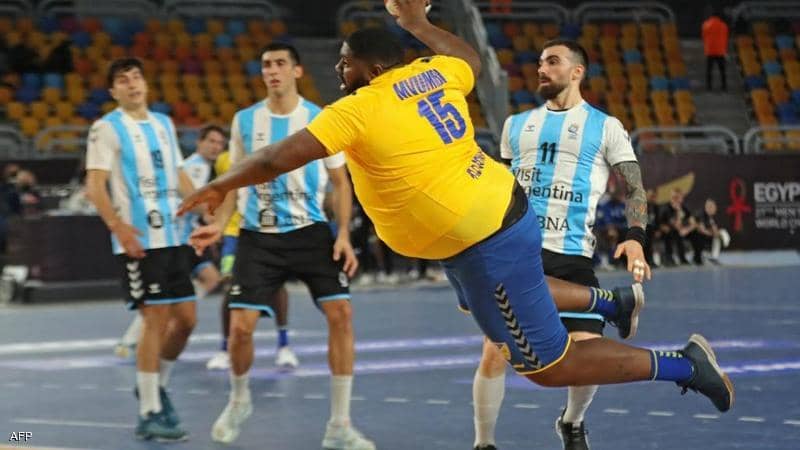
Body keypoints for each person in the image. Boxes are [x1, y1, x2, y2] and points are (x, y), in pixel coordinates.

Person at [181, 0, 733, 443]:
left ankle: (683, 366)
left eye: (346, 62)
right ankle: (610, 303)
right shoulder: (432, 72)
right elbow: (470, 60)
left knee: (548, 366)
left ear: (374, 68)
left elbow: (279, 156)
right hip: (488, 221)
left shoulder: (359, 107)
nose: (338, 70)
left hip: (485, 239)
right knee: (487, 302)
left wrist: (222, 183)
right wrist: (420, 24)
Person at [187, 42, 372, 448]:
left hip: (310, 232)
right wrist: (218, 225)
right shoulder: (244, 121)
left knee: (341, 314)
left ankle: (340, 424)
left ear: (297, 71)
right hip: (258, 237)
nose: (272, 71)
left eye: (280, 64)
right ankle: (239, 400)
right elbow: (234, 180)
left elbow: (341, 183)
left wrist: (343, 234)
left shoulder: (320, 118)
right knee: (240, 328)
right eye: (266, 65)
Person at [471, 38, 652, 450]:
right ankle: (484, 443)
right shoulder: (515, 126)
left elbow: (635, 188)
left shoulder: (605, 126)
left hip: (572, 257)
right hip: (519, 253)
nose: (542, 69)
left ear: (577, 72)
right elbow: (502, 191)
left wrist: (635, 238)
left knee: (588, 353)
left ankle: (572, 421)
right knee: (495, 349)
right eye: (540, 62)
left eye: (553, 62)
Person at [85, 57, 198, 441]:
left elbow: (178, 174)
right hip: (139, 239)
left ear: (145, 84)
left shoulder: (164, 123)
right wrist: (118, 227)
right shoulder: (106, 128)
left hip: (174, 236)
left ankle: (155, 387)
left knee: (187, 320)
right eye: (123, 80)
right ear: (113, 91)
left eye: (136, 77)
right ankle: (149, 411)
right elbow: (95, 187)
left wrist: (204, 211)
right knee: (155, 319)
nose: (132, 83)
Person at [112, 124, 226, 359]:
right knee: (164, 301)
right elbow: (191, 202)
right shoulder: (194, 168)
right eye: (211, 142)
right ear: (199, 142)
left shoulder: (203, 167)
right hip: (178, 239)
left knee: (209, 279)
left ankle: (142, 337)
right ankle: (133, 341)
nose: (216, 147)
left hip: (186, 237)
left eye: (220, 144)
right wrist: (212, 219)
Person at [204, 149, 297, 372]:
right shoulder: (225, 159)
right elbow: (221, 192)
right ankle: (225, 349)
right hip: (234, 233)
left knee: (278, 284)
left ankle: (284, 345)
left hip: (268, 228)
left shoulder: (277, 151)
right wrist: (217, 225)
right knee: (230, 285)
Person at [689, 198, 729, 265]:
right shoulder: (701, 214)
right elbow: (702, 230)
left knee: (721, 234)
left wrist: (718, 234)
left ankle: (713, 258)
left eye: (713, 207)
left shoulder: (711, 218)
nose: (712, 208)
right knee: (700, 237)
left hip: (703, 236)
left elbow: (714, 229)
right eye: (710, 206)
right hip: (693, 236)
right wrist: (713, 234)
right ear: (706, 207)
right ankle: (697, 256)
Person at [702, 6, 729, 92]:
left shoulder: (705, 25)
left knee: (709, 70)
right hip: (720, 51)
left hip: (710, 50)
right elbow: (725, 38)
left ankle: (708, 86)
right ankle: (724, 86)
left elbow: (704, 36)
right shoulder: (724, 25)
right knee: (722, 70)